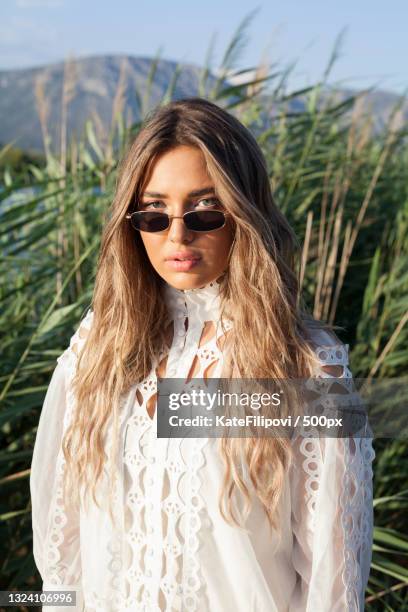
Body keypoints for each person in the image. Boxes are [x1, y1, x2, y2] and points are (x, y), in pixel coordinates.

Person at [30, 97, 375, 612]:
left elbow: (333, 584)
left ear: (242, 211)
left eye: (205, 210)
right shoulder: (97, 345)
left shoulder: (309, 366)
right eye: (153, 213)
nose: (177, 234)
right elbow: (64, 547)